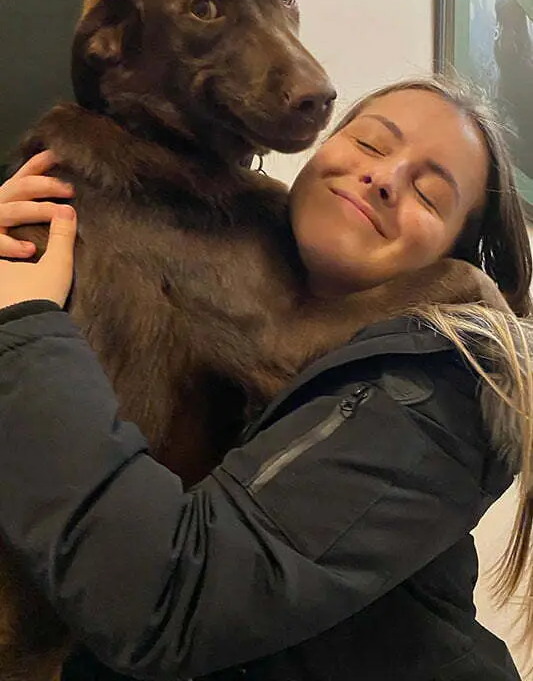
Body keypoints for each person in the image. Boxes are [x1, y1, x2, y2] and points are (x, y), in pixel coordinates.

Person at [0, 77, 531, 681]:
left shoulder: (439, 377)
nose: (384, 178)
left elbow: (168, 599)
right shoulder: (209, 288)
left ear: (449, 255)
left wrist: (24, 324)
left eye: (429, 196)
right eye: (369, 143)